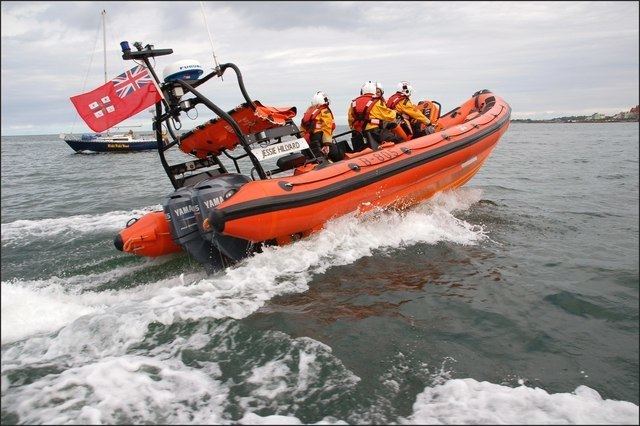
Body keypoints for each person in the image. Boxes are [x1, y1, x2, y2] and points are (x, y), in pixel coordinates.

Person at [348, 80, 401, 151]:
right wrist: (395, 112)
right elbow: (389, 116)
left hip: (357, 134)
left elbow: (350, 120)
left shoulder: (353, 103)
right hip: (374, 133)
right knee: (397, 139)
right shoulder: (376, 102)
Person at [300, 91, 338, 162]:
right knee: (338, 154)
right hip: (320, 139)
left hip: (309, 140)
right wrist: (327, 144)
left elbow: (302, 129)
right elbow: (327, 127)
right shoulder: (324, 110)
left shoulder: (309, 112)